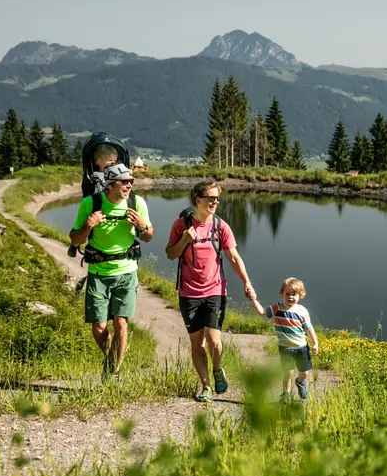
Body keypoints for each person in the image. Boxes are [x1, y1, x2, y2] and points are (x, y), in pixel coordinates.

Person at [165, 181, 257, 402]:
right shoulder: (181, 225)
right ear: (198, 200)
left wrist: (247, 282)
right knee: (197, 342)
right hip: (188, 293)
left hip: (215, 289)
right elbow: (170, 254)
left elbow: (234, 257)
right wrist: (185, 239)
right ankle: (205, 387)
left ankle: (217, 369)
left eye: (217, 198)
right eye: (211, 198)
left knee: (214, 341)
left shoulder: (220, 226)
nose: (215, 202)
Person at [69, 163, 153, 379]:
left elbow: (148, 236)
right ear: (110, 184)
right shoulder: (91, 203)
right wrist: (88, 225)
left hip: (127, 271)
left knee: (121, 323)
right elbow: (75, 239)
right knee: (98, 326)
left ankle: (113, 372)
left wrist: (143, 226)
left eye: (131, 181)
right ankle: (111, 356)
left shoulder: (137, 202)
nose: (129, 185)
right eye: (124, 182)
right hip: (98, 273)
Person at [251, 277, 318, 400]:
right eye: (287, 294)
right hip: (285, 348)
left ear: (300, 295)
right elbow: (262, 311)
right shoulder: (277, 308)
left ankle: (300, 382)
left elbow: (309, 328)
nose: (290, 297)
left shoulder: (302, 311)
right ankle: (286, 394)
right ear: (282, 293)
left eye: (294, 294)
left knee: (304, 372)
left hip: (301, 347)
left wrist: (315, 343)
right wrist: (254, 300)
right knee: (288, 372)